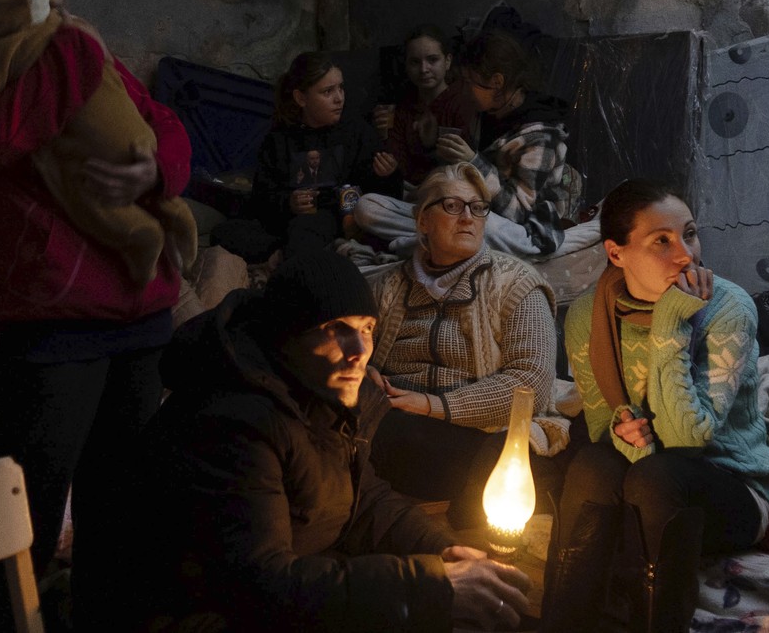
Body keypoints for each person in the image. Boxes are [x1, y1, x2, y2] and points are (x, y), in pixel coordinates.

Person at [0, 0, 192, 628]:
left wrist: (155, 172)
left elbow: (161, 123)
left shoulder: (77, 39)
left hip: (142, 312)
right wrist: (64, 47)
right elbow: (1, 137)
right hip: (53, 320)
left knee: (122, 507)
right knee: (21, 517)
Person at [119, 250, 532, 632]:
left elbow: (362, 500)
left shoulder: (322, 396)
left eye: (367, 329)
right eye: (338, 330)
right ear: (287, 335)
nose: (359, 350)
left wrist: (448, 552)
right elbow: (260, 584)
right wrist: (431, 585)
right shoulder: (233, 418)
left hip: (279, 585)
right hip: (193, 612)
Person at [545, 179, 769, 633]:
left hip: (731, 484)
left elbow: (686, 439)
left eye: (689, 233)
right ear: (616, 254)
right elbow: (600, 425)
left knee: (656, 477)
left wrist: (672, 320)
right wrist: (622, 428)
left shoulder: (728, 307)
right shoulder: (587, 314)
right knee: (593, 464)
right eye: (661, 242)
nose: (686, 255)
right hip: (641, 471)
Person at [366, 163, 574, 529]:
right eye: (452, 206)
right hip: (399, 424)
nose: (468, 217)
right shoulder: (388, 287)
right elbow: (354, 355)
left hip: (485, 433)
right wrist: (365, 374)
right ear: (421, 222)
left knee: (494, 460)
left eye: (478, 208)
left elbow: (532, 386)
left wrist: (433, 405)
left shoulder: (517, 284)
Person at [354, 29, 589, 258]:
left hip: (518, 228)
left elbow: (519, 213)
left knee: (485, 228)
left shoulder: (542, 136)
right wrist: (431, 147)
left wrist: (474, 161)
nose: (465, 90)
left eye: (470, 82)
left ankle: (422, 244)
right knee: (367, 207)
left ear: (497, 82)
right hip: (465, 212)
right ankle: (435, 241)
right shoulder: (486, 113)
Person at [212, 52, 401, 263]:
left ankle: (297, 256)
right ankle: (287, 252)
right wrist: (288, 202)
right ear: (301, 98)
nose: (339, 98)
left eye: (341, 88)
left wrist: (387, 174)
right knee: (224, 232)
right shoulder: (280, 139)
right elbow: (262, 198)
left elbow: (382, 198)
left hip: (331, 219)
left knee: (304, 232)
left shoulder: (355, 131)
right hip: (284, 223)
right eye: (327, 91)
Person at [374, 24, 477, 186]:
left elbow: (465, 165)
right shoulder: (403, 107)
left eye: (432, 60)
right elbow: (400, 165)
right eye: (415, 62)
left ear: (448, 61)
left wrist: (431, 145)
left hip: (455, 190)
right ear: (406, 66)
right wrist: (383, 137)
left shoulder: (463, 101)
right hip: (412, 192)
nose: (424, 69)